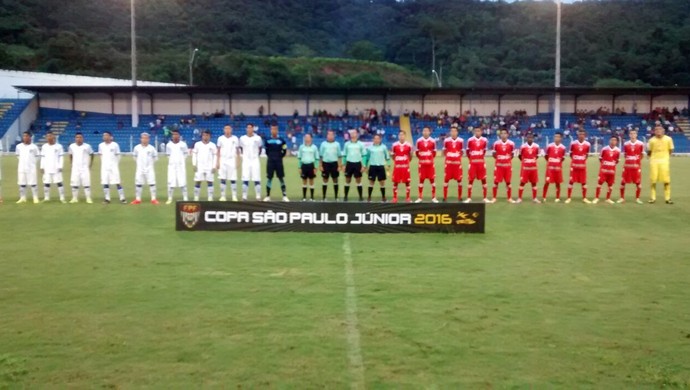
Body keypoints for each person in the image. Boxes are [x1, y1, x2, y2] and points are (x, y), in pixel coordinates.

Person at [647, 126, 674, 204]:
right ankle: (653, 198)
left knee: (666, 180)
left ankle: (667, 198)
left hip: (664, 162)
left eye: (660, 129)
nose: (658, 131)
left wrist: (665, 157)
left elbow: (671, 150)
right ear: (654, 131)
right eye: (656, 130)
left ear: (663, 130)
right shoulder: (651, 140)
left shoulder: (668, 139)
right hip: (654, 162)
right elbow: (649, 151)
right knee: (653, 180)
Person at [99, 131, 127, 204]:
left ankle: (122, 198)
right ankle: (107, 198)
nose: (104, 137)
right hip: (104, 167)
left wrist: (114, 164)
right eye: (104, 135)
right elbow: (100, 155)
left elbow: (118, 155)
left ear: (110, 136)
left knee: (117, 182)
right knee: (105, 182)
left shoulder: (115, 145)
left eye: (106, 135)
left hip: (113, 167)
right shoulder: (101, 145)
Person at [618, 129, 645, 204]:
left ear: (636, 135)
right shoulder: (626, 144)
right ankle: (622, 198)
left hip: (636, 167)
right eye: (631, 133)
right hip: (627, 167)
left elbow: (642, 155)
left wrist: (637, 162)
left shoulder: (641, 144)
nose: (633, 135)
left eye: (634, 133)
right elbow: (625, 155)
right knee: (623, 182)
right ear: (629, 135)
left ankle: (637, 198)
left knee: (638, 183)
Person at [131, 132, 159, 205]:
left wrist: (150, 164)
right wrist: (139, 164)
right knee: (138, 183)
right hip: (140, 169)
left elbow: (155, 157)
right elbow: (134, 156)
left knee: (152, 183)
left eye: (146, 138)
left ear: (148, 139)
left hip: (150, 169)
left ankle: (153, 199)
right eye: (143, 138)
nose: (145, 139)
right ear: (141, 139)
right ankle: (138, 199)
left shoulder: (152, 148)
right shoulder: (137, 148)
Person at [263, 124, 289, 202]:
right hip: (270, 161)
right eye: (272, 129)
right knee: (269, 178)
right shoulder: (267, 140)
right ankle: (267, 196)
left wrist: (280, 156)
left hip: (279, 161)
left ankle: (284, 196)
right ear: (271, 130)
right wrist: (271, 156)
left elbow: (284, 150)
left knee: (281, 178)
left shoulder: (281, 140)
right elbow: (266, 151)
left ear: (277, 130)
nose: (273, 131)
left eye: (275, 129)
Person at [566, 130, 592, 204]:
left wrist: (581, 161)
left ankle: (584, 198)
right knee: (571, 181)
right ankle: (568, 198)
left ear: (585, 135)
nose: (581, 136)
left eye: (583, 134)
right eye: (580, 134)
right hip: (574, 166)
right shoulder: (573, 143)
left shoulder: (587, 144)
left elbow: (586, 155)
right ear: (578, 135)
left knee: (584, 182)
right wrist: (576, 160)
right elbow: (571, 154)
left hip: (582, 167)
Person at [465, 127, 489, 203]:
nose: (477, 132)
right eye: (476, 131)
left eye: (479, 131)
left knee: (483, 179)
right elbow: (468, 151)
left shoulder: (484, 140)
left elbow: (484, 151)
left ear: (481, 132)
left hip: (481, 163)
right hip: (473, 163)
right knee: (470, 180)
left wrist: (480, 158)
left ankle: (485, 197)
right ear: (474, 132)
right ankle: (469, 197)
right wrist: (471, 160)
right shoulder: (470, 140)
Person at [40, 131, 66, 203]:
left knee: (59, 182)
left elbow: (61, 157)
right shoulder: (44, 146)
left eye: (50, 136)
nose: (49, 137)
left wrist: (60, 166)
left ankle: (62, 198)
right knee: (46, 182)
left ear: (53, 137)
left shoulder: (59, 146)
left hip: (56, 167)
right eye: (47, 136)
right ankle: (46, 197)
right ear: (46, 138)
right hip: (47, 167)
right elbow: (43, 157)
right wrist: (42, 167)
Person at [68, 132, 94, 204]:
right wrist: (71, 163)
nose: (78, 139)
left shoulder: (87, 146)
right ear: (75, 138)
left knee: (86, 183)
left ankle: (88, 198)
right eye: (77, 137)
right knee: (74, 183)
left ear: (83, 138)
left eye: (80, 137)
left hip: (84, 168)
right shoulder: (71, 146)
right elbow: (70, 155)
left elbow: (92, 154)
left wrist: (90, 164)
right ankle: (74, 198)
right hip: (75, 168)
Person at [239, 124, 263, 201]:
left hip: (255, 160)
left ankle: (258, 196)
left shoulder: (258, 138)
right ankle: (244, 196)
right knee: (245, 178)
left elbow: (260, 148)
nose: (249, 129)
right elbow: (241, 148)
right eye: (248, 128)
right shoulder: (242, 138)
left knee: (257, 178)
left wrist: (256, 156)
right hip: (246, 160)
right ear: (246, 129)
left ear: (253, 129)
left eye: (251, 128)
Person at [593, 136, 620, 204]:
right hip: (603, 171)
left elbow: (617, 160)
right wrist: (605, 166)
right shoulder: (604, 149)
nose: (613, 141)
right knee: (599, 184)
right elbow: (600, 159)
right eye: (612, 140)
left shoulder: (618, 150)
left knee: (610, 185)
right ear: (609, 141)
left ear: (616, 142)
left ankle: (608, 198)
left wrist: (611, 165)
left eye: (614, 140)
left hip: (612, 171)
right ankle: (596, 198)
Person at [216, 125, 240, 201]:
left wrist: (238, 161)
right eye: (226, 128)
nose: (227, 130)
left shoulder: (235, 138)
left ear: (231, 129)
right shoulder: (220, 138)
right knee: (223, 178)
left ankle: (234, 196)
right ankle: (223, 196)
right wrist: (217, 161)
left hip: (232, 160)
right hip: (223, 160)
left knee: (233, 178)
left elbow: (237, 151)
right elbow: (218, 150)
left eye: (229, 128)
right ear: (224, 130)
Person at [491, 128, 515, 203]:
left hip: (507, 166)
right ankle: (494, 198)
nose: (503, 135)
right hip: (498, 166)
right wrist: (499, 160)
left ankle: (509, 198)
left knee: (508, 182)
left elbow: (512, 154)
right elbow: (494, 154)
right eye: (502, 133)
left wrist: (507, 160)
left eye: (505, 133)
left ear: (507, 134)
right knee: (496, 182)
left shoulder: (511, 143)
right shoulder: (496, 143)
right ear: (500, 134)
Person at [365, 134, 391, 202]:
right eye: (375, 138)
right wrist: (366, 166)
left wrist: (388, 165)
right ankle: (369, 197)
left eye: (378, 138)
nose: (376, 140)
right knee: (371, 182)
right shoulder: (370, 148)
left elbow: (387, 157)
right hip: (372, 167)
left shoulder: (384, 147)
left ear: (380, 139)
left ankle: (383, 197)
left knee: (382, 182)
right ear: (373, 139)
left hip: (381, 167)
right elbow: (367, 158)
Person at [15, 131, 40, 204]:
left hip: (31, 168)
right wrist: (23, 162)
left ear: (30, 137)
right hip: (21, 167)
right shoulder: (19, 146)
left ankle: (35, 198)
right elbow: (17, 155)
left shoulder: (34, 147)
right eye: (24, 136)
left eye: (26, 136)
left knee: (33, 183)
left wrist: (32, 163)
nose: (25, 137)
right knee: (22, 183)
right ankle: (22, 197)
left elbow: (37, 156)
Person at [192, 130, 217, 202]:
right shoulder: (197, 144)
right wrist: (194, 164)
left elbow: (215, 156)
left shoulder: (212, 145)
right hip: (200, 166)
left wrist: (214, 166)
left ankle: (210, 197)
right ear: (202, 136)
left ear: (209, 136)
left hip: (209, 166)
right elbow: (194, 154)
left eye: (207, 135)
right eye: (204, 135)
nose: (205, 137)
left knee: (210, 181)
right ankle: (196, 197)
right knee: (198, 181)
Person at [342, 130, 366, 202]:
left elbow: (364, 155)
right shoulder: (347, 144)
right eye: (351, 133)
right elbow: (344, 155)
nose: (353, 134)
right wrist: (344, 165)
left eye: (354, 133)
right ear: (350, 135)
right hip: (349, 164)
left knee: (358, 181)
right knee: (347, 180)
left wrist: (363, 165)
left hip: (358, 164)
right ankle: (345, 197)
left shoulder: (361, 144)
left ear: (357, 134)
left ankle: (360, 197)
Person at [415, 126, 438, 203]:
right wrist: (422, 159)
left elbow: (434, 153)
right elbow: (417, 153)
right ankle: (420, 197)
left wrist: (429, 159)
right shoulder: (419, 141)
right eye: (424, 130)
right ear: (422, 132)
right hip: (422, 165)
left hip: (430, 165)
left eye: (427, 131)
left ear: (429, 132)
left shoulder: (433, 141)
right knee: (421, 181)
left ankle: (434, 197)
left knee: (432, 181)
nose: (425, 132)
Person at [166, 129, 189, 204]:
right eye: (173, 134)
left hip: (181, 166)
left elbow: (186, 153)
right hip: (172, 166)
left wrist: (181, 161)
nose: (175, 136)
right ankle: (170, 198)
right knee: (171, 181)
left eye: (176, 134)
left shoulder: (183, 144)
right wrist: (172, 161)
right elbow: (168, 155)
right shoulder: (169, 145)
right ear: (172, 136)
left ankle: (185, 197)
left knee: (182, 181)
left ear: (179, 136)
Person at [542, 132, 566, 202]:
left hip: (558, 169)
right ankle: (544, 197)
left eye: (558, 137)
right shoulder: (549, 146)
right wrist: (550, 163)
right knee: (547, 182)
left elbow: (563, 158)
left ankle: (557, 197)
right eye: (555, 137)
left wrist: (557, 163)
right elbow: (546, 156)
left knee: (557, 183)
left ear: (561, 138)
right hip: (550, 169)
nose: (556, 138)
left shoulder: (563, 148)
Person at [517, 133, 541, 203]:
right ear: (526, 138)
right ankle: (519, 198)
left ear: (533, 138)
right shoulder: (523, 146)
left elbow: (537, 155)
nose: (530, 139)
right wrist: (525, 162)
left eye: (531, 138)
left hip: (533, 168)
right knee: (522, 183)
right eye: (528, 137)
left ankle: (534, 198)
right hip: (525, 168)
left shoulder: (536, 146)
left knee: (534, 183)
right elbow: (520, 156)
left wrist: (531, 161)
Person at [443, 126, 464, 202]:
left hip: (457, 165)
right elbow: (444, 151)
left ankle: (460, 197)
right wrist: (449, 157)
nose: (453, 133)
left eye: (455, 131)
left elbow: (462, 151)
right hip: (449, 165)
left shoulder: (461, 141)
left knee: (459, 181)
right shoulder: (446, 141)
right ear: (450, 132)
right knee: (446, 181)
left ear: (457, 132)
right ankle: (445, 197)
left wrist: (456, 157)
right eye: (452, 131)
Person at [319, 130, 342, 201]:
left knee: (335, 180)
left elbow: (339, 156)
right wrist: (320, 165)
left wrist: (339, 165)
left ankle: (336, 197)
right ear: (327, 136)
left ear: (334, 136)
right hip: (325, 163)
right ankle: (324, 197)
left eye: (332, 135)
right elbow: (321, 156)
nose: (330, 136)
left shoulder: (337, 144)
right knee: (325, 179)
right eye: (329, 135)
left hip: (334, 163)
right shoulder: (323, 144)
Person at [391, 130, 413, 203]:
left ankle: (408, 197)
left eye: (402, 135)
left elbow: (411, 155)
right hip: (397, 167)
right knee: (395, 182)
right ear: (398, 136)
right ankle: (394, 198)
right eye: (400, 135)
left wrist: (406, 161)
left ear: (405, 136)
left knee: (407, 182)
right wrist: (397, 160)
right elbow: (392, 155)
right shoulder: (394, 145)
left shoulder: (409, 145)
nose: (401, 136)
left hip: (405, 167)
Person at [297, 133, 320, 201]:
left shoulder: (314, 147)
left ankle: (312, 197)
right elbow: (299, 158)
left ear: (311, 138)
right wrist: (299, 167)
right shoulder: (301, 147)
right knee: (304, 181)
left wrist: (315, 167)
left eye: (308, 137)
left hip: (311, 165)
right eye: (305, 137)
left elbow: (317, 158)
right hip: (304, 165)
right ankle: (304, 197)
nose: (306, 139)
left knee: (311, 181)